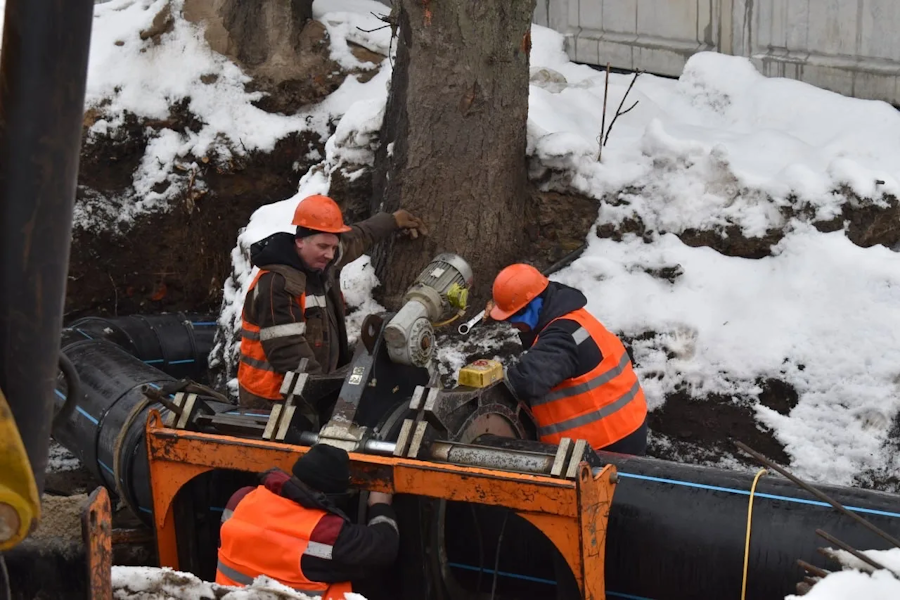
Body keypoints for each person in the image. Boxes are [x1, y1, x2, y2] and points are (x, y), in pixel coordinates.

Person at [238, 194, 427, 409]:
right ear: (299, 241)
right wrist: (323, 394)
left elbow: (358, 237)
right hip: (272, 400)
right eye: (323, 247)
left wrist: (392, 221)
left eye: (333, 248)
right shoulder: (277, 283)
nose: (330, 255)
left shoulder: (318, 260)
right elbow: (287, 350)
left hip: (307, 391)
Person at [487, 264, 648, 455]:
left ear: (534, 302)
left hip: (605, 444)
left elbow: (528, 380)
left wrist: (493, 382)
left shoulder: (562, 337)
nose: (513, 324)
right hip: (626, 425)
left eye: (515, 316)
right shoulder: (573, 321)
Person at [216, 443, 398, 598]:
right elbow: (384, 546)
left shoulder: (241, 499)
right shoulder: (323, 532)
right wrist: (380, 505)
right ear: (332, 496)